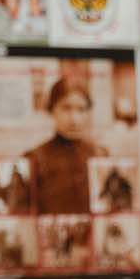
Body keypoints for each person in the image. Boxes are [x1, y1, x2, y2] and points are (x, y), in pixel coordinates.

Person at [24, 74, 105, 216]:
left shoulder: (100, 155)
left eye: (81, 109)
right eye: (66, 108)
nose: (74, 119)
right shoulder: (35, 158)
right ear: (51, 110)